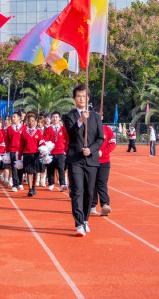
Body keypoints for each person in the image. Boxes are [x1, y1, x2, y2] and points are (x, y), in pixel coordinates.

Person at [63, 85, 104, 237]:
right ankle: (79, 223)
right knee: (77, 191)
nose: (81, 99)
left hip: (91, 160)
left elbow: (100, 138)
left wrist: (91, 149)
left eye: (84, 96)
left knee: (89, 192)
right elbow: (71, 132)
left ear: (88, 98)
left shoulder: (95, 117)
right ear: (74, 99)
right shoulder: (69, 116)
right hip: (75, 159)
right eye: (79, 96)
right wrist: (80, 120)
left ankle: (85, 219)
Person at [90, 117, 116, 216]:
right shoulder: (88, 129)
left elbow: (112, 143)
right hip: (91, 161)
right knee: (92, 183)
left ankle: (105, 205)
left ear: (101, 117)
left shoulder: (107, 130)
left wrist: (103, 152)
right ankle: (92, 205)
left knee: (102, 183)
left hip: (104, 161)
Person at [18, 113, 45, 197]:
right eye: (29, 121)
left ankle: (33, 186)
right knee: (29, 172)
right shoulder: (24, 132)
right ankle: (30, 189)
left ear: (35, 122)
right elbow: (21, 145)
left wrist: (44, 150)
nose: (31, 123)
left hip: (36, 154)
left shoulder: (39, 132)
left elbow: (42, 142)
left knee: (35, 172)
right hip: (27, 154)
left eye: (33, 121)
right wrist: (19, 156)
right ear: (27, 122)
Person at [44, 111, 69, 192]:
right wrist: (46, 150)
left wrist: (65, 150)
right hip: (51, 152)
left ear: (59, 118)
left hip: (60, 152)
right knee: (50, 169)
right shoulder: (48, 129)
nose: (55, 119)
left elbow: (67, 140)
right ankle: (51, 184)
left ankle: (62, 184)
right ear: (51, 118)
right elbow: (45, 139)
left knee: (61, 169)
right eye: (53, 117)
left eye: (56, 117)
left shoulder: (63, 129)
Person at [6, 112, 24, 192]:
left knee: (21, 167)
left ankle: (20, 182)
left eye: (14, 117)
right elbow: (7, 141)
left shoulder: (24, 128)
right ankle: (15, 184)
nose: (13, 118)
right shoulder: (9, 129)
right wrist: (7, 151)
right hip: (12, 150)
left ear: (19, 118)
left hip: (21, 150)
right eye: (12, 117)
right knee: (14, 167)